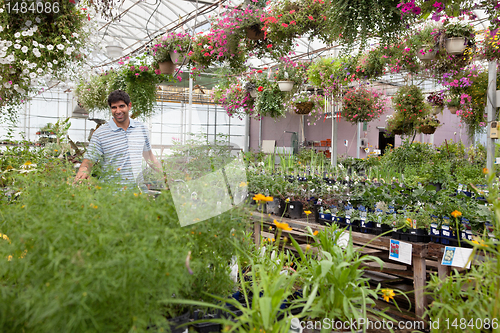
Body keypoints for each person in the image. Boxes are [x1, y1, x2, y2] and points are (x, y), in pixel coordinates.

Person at [74, 90, 163, 187]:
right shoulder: (100, 133)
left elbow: (149, 156)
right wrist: (82, 172)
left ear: (129, 106)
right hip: (111, 193)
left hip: (137, 193)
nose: (118, 111)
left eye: (121, 106)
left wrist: (163, 175)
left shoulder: (141, 129)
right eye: (114, 107)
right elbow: (89, 160)